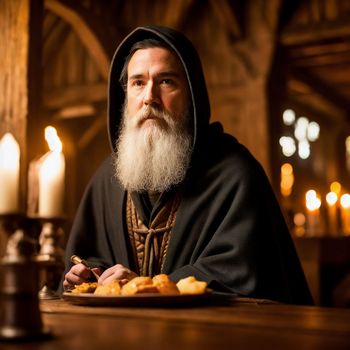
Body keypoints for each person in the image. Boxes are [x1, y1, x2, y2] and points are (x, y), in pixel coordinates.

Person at [60, 25, 313, 305]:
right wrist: (89, 275)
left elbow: (242, 275)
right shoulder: (106, 178)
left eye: (166, 81)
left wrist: (145, 288)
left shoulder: (236, 174)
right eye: (138, 83)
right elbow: (89, 259)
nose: (149, 97)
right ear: (126, 96)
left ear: (192, 95)